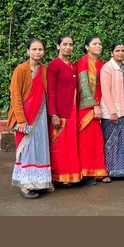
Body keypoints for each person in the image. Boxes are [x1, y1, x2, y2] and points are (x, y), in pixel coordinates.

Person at [8, 39, 53, 199]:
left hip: (41, 115)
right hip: (25, 117)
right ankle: (25, 185)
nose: (37, 52)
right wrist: (20, 119)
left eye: (40, 49)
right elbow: (15, 96)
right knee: (26, 149)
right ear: (28, 51)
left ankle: (40, 182)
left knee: (40, 147)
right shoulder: (20, 70)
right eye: (34, 49)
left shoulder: (45, 69)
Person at [47, 35, 82, 186]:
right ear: (58, 46)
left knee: (70, 145)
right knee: (59, 146)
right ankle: (57, 177)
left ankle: (70, 176)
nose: (68, 47)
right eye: (65, 44)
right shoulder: (54, 65)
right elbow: (51, 91)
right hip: (60, 112)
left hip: (72, 111)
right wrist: (53, 114)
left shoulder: (73, 66)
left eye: (70, 44)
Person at [100, 42, 124, 179]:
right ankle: (110, 170)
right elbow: (105, 91)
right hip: (112, 111)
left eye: (122, 51)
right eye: (117, 51)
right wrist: (112, 111)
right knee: (112, 142)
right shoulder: (107, 68)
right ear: (111, 53)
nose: (120, 53)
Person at [76, 36, 108, 185]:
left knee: (97, 140)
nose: (98, 46)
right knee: (86, 141)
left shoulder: (102, 64)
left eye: (100, 43)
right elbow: (83, 85)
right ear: (87, 47)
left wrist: (102, 105)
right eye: (94, 43)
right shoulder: (82, 62)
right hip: (87, 107)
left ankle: (97, 171)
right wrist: (93, 105)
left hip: (101, 105)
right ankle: (86, 173)